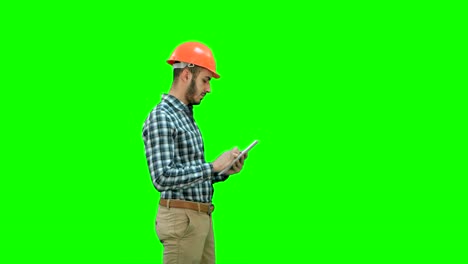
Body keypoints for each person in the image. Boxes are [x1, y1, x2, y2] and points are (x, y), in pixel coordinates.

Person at [142, 42, 247, 264]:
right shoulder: (162, 117)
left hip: (201, 217)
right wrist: (212, 167)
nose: (208, 88)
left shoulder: (186, 116)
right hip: (182, 220)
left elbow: (190, 171)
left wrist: (225, 169)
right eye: (205, 80)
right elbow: (162, 177)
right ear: (186, 75)